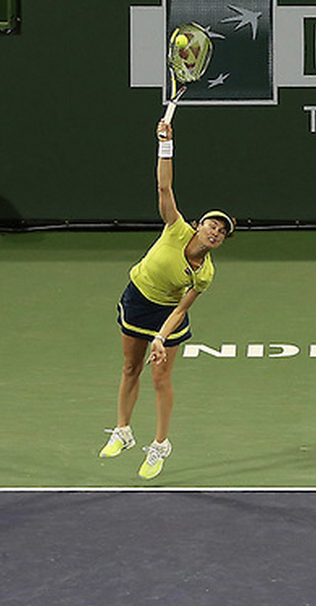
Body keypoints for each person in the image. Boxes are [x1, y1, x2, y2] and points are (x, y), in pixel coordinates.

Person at [98, 119, 234, 480]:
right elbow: (164, 185)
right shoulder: (175, 227)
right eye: (212, 225)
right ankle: (123, 432)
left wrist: (160, 337)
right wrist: (165, 144)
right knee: (130, 368)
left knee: (160, 376)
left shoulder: (204, 272)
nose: (215, 232)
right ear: (200, 224)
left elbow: (181, 308)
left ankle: (160, 445)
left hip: (166, 317)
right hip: (137, 298)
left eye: (221, 232)